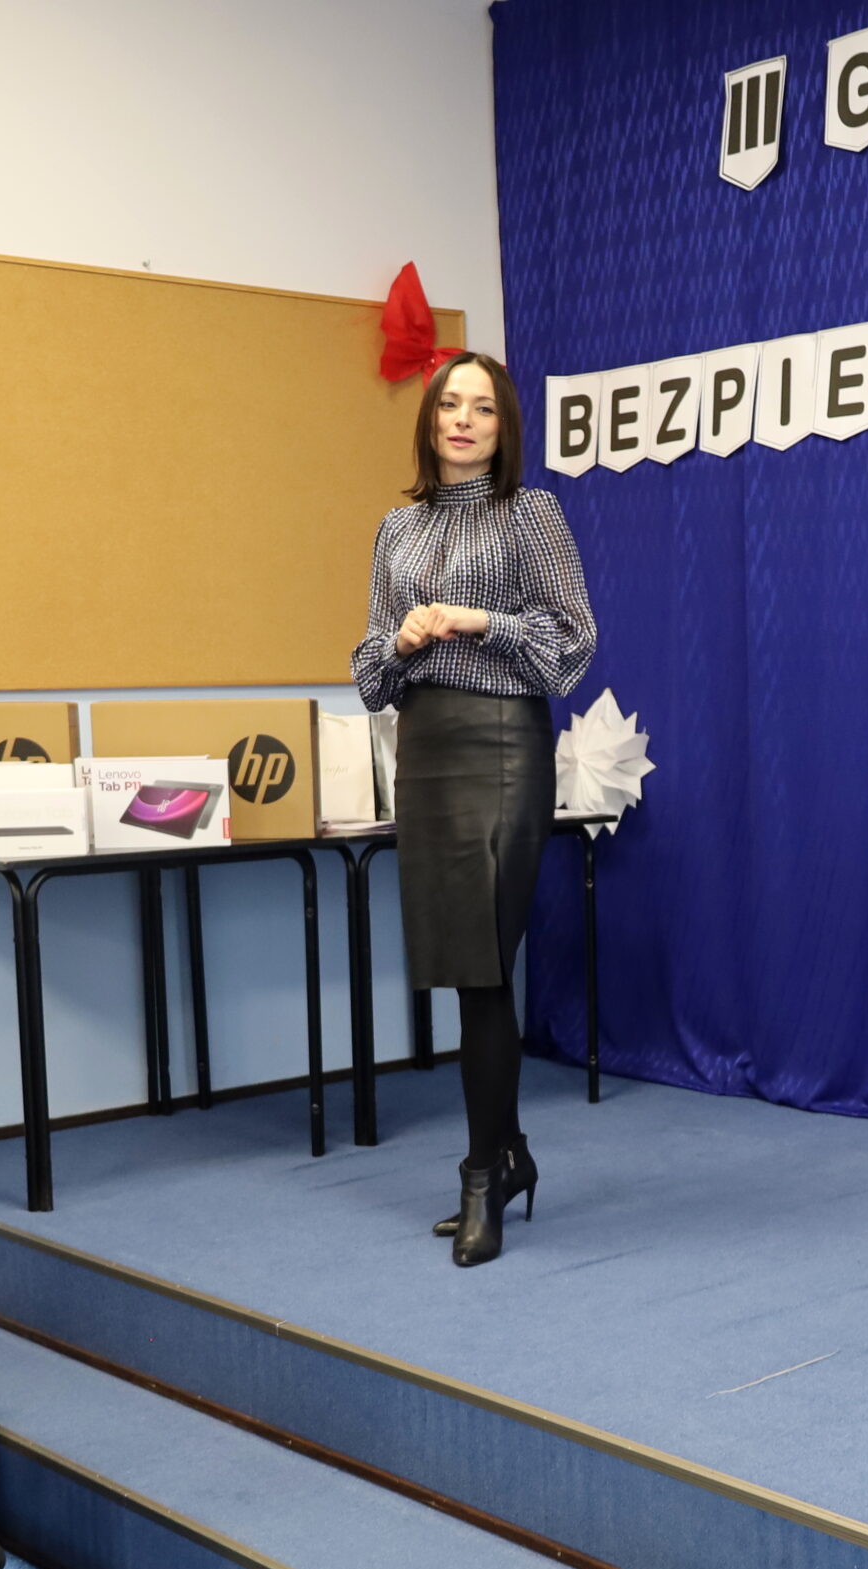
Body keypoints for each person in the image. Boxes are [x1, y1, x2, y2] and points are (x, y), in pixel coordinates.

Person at [349, 351, 597, 1267]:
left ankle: (482, 1178)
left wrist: (475, 619)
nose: (462, 419)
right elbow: (369, 677)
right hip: (425, 749)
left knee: (488, 969)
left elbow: (574, 640)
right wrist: (402, 639)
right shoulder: (396, 528)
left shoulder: (531, 513)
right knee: (465, 971)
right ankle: (509, 1154)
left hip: (504, 746)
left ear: (504, 427)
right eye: (449, 404)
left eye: (482, 408)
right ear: (430, 421)